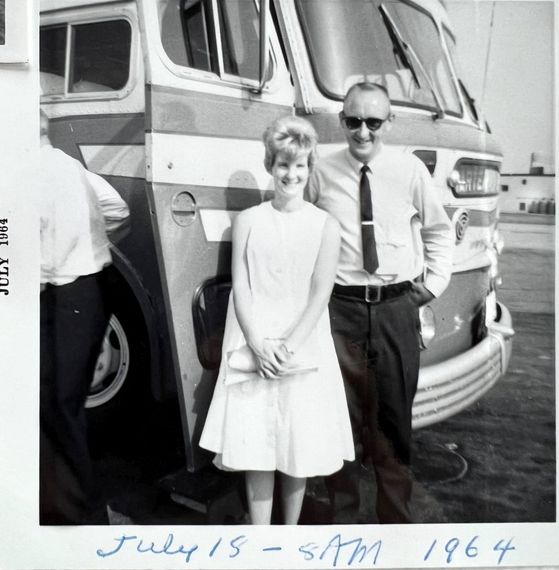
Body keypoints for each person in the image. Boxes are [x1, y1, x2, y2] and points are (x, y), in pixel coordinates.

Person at [307, 82, 454, 523]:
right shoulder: (321, 170)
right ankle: (343, 525)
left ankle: (395, 526)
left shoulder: (410, 171)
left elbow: (439, 231)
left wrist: (429, 287)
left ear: (389, 122)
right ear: (342, 121)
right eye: (353, 121)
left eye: (373, 121)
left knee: (392, 423)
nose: (363, 131)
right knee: (341, 423)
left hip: (395, 310)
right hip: (340, 311)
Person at [200, 116, 354, 525]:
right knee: (256, 443)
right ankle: (261, 539)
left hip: (302, 344)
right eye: (284, 164)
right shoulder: (248, 221)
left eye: (300, 165)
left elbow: (321, 291)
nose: (292, 173)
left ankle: (287, 537)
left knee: (295, 443)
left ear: (310, 167)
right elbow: (241, 287)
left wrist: (287, 348)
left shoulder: (326, 225)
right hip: (255, 341)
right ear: (271, 165)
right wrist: (257, 343)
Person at [39, 109, 130, 524]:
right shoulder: (71, 166)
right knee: (64, 404)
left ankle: (83, 514)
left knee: (56, 407)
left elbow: (34, 254)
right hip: (92, 289)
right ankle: (72, 506)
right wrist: (95, 242)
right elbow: (118, 209)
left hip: (61, 295)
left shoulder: (28, 172)